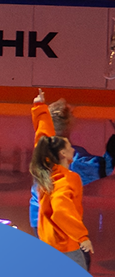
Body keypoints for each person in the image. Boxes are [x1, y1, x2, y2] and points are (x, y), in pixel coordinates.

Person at [28, 89, 115, 228]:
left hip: (38, 215)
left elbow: (42, 128)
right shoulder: (71, 159)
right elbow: (104, 168)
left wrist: (39, 107)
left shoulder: (43, 147)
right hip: (57, 219)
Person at [31, 135, 92, 270]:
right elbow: (60, 211)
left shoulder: (47, 176)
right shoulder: (67, 179)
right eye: (69, 146)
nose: (73, 149)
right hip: (65, 245)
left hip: (48, 242)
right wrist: (81, 236)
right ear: (63, 153)